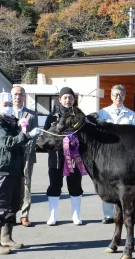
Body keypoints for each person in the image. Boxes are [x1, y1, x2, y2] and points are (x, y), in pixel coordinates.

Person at [0, 90, 41, 254]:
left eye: (10, 105)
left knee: (13, 204)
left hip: (16, 168)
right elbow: (7, 142)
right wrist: (27, 135)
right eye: (6, 105)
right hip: (3, 169)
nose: (9, 107)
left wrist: (22, 129)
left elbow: (18, 141)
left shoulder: (12, 122)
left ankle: (6, 237)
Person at [44, 87, 84, 226]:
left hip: (74, 156)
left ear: (74, 100)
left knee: (75, 185)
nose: (68, 100)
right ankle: (53, 216)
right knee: (55, 185)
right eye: (65, 97)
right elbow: (46, 135)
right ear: (60, 99)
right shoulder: (52, 116)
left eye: (71, 98)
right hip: (55, 156)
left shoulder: (79, 116)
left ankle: (76, 216)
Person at [98, 84, 135, 224]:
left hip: (124, 154)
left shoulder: (131, 114)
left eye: (121, 95)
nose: (118, 97)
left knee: (123, 185)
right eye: (115, 95)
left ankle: (124, 212)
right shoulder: (103, 113)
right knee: (107, 183)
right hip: (107, 153)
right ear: (111, 96)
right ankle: (108, 214)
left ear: (124, 96)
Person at [11, 86, 39, 227]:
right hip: (10, 154)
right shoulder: (6, 113)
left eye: (20, 94)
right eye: (15, 94)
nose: (18, 97)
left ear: (24, 97)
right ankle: (11, 214)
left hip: (27, 154)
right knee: (11, 183)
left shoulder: (32, 115)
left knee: (26, 183)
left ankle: (24, 214)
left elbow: (34, 137)